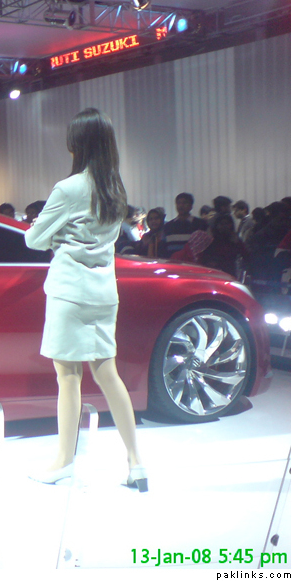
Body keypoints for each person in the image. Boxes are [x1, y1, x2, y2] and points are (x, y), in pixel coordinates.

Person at [24, 108, 146, 492]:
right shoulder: (116, 189)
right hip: (104, 292)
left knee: (68, 377)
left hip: (70, 292)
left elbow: (33, 239)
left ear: (77, 143)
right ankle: (136, 463)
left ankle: (64, 461)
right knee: (108, 374)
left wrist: (59, 237)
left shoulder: (69, 188)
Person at [162, 192, 208, 257]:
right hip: (172, 261)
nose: (181, 206)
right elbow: (164, 249)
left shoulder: (200, 224)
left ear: (191, 206)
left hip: (193, 262)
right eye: (178, 203)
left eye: (185, 203)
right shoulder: (168, 226)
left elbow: (205, 248)